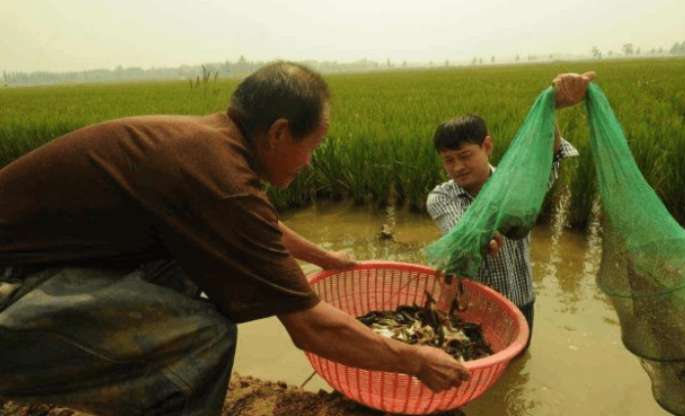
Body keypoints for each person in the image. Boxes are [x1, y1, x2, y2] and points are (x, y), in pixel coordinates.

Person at [0, 62, 469, 416]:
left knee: (189, 264)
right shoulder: (215, 174)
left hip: (36, 272)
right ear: (280, 133)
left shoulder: (207, 146)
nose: (312, 160)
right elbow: (310, 327)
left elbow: (252, 224)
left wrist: (323, 257)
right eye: (315, 145)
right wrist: (416, 361)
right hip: (12, 292)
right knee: (209, 336)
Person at [426, 72, 594, 348]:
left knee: (516, 366)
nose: (457, 167)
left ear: (487, 146)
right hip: (473, 307)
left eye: (465, 156)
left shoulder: (518, 186)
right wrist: (484, 240)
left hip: (521, 300)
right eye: (449, 160)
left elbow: (549, 155)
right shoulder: (441, 197)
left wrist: (549, 104)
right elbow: (461, 232)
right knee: (473, 368)